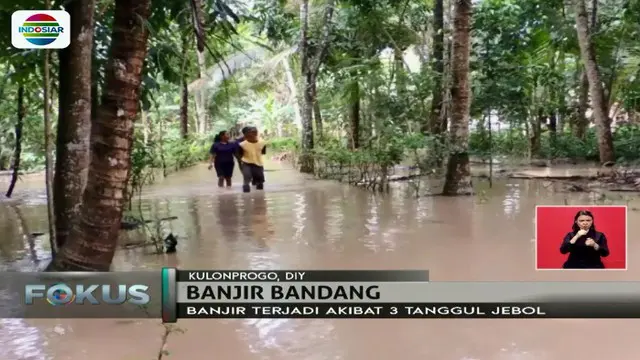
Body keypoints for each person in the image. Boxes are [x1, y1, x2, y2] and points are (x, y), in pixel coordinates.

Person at [237, 127, 267, 193]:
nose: (253, 134)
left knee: (260, 181)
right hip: (246, 163)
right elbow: (240, 155)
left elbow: (263, 152)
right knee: (247, 178)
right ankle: (246, 198)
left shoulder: (262, 143)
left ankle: (260, 198)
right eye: (251, 132)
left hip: (258, 164)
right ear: (247, 134)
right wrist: (241, 165)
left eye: (255, 132)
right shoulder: (242, 144)